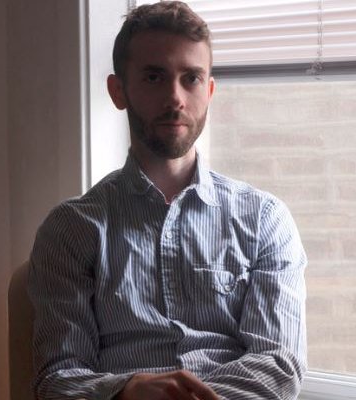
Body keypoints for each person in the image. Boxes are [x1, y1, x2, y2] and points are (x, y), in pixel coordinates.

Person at [28, 2, 307, 399]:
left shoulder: (265, 220)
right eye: (154, 77)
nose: (175, 97)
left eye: (191, 78)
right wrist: (127, 392)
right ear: (118, 90)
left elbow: (279, 364)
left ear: (209, 91)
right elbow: (56, 379)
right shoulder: (71, 229)